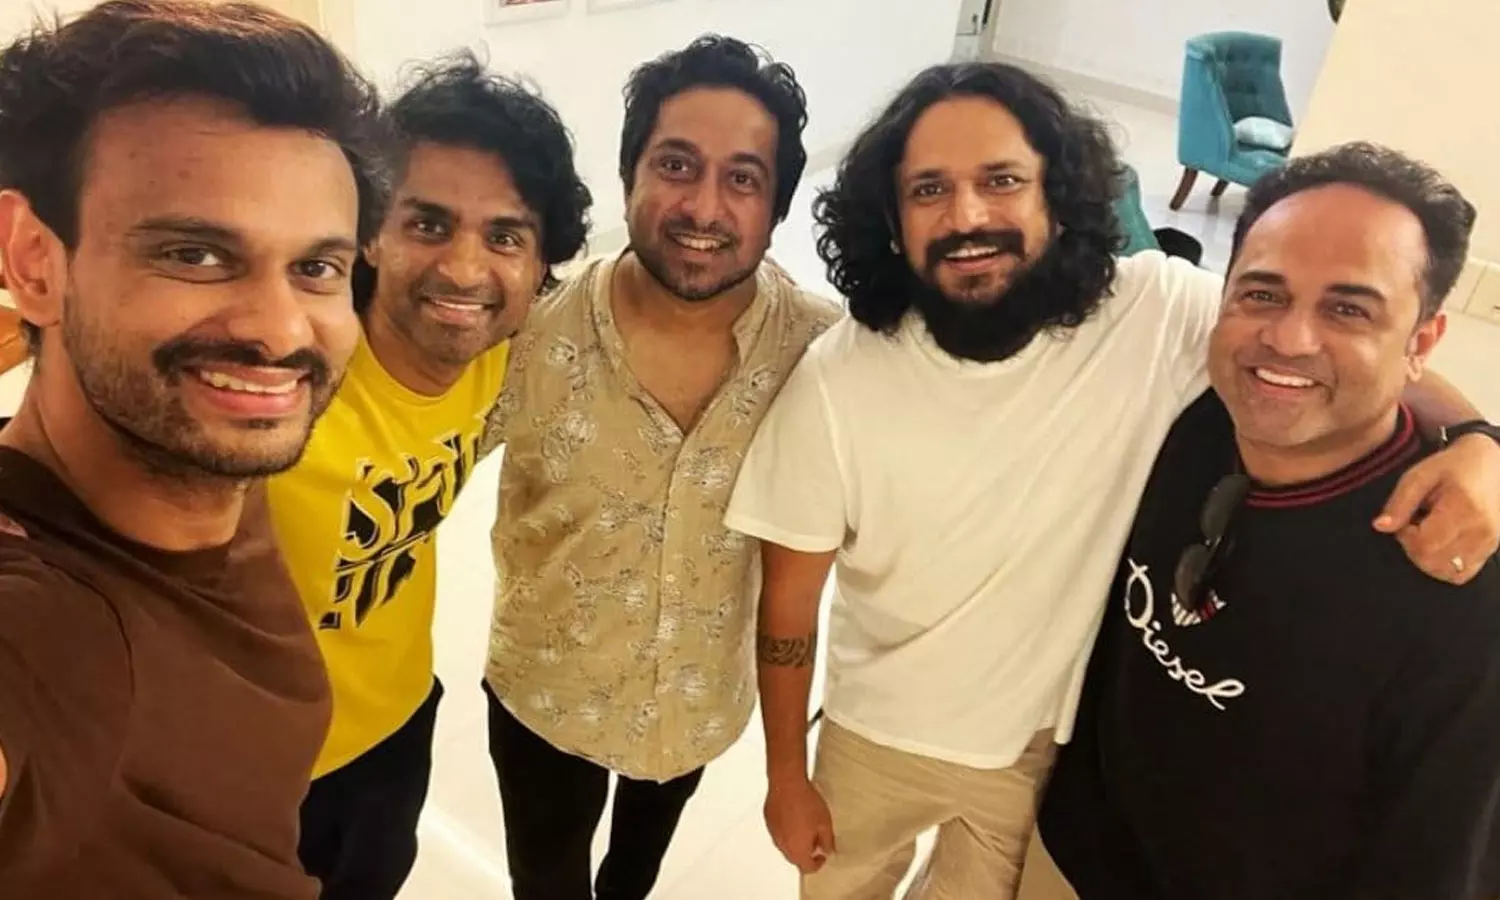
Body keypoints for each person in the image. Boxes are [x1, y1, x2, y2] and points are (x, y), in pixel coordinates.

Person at [722, 62, 1500, 900]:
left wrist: (1481, 442)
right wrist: (785, 774)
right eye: (929, 189)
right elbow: (788, 605)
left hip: (1036, 749)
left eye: (1002, 180)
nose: (968, 215)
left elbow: (1307, 347)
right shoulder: (838, 380)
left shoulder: (1151, 311)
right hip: (876, 732)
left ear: (1056, 196)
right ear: (892, 218)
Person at [1036, 143, 1500, 900]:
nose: (1289, 339)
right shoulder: (1190, 415)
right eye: (1262, 294)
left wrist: (1484, 443)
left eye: (1348, 309)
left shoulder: (1458, 573)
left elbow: (1438, 864)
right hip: (1071, 854)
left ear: (1420, 343)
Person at [0, 0, 384, 895]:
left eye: (316, 268)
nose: (280, 332)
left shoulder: (203, 454)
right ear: (33, 262)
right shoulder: (46, 629)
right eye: (195, 255)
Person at [477, 34, 841, 900]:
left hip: (695, 705)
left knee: (634, 876)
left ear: (777, 206)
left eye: (743, 178)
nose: (704, 207)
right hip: (546, 698)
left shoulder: (819, 356)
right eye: (676, 165)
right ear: (629, 174)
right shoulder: (527, 333)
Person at [268, 52, 590, 900]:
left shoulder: (499, 359)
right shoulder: (284, 384)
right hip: (253, 772)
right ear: (370, 230)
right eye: (429, 224)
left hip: (397, 727)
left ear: (539, 266)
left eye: (505, 237)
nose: (465, 270)